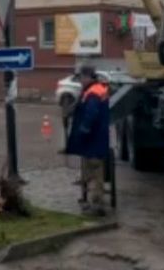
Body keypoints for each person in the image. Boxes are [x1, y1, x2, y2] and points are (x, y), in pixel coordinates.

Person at [65, 65, 110, 217]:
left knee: (94, 173)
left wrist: (83, 131)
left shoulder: (93, 93)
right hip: (95, 139)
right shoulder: (95, 89)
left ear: (87, 77)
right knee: (91, 172)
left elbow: (91, 114)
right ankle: (91, 202)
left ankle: (97, 206)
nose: (80, 81)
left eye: (81, 78)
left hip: (93, 140)